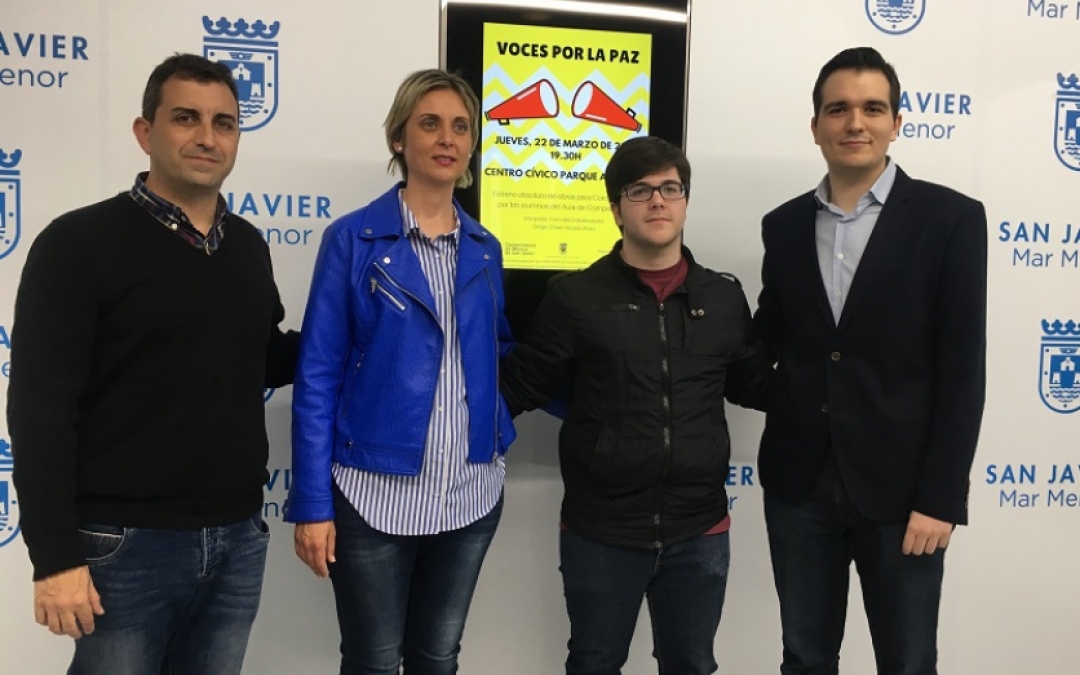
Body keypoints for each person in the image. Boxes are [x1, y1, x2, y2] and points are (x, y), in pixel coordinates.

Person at [8, 53, 299, 675]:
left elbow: (259, 359)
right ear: (146, 132)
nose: (207, 137)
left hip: (237, 538)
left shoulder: (248, 246)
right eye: (186, 118)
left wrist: (359, 337)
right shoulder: (77, 244)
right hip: (123, 545)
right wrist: (55, 557)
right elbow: (40, 410)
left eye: (224, 123)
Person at [753, 47, 988, 675]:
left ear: (896, 122)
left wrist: (942, 497)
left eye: (872, 108)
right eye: (838, 109)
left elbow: (963, 372)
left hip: (905, 494)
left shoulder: (951, 219)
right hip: (799, 486)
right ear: (816, 126)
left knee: (907, 662)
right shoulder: (783, 225)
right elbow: (769, 339)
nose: (854, 122)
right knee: (804, 658)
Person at [501, 136, 772, 675]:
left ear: (686, 201)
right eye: (640, 190)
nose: (658, 201)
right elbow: (520, 386)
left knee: (692, 665)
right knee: (594, 663)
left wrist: (836, 374)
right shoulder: (575, 297)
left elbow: (755, 384)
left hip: (700, 529)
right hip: (601, 530)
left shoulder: (722, 297)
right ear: (615, 208)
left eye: (671, 188)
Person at [286, 69, 514, 675]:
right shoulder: (352, 240)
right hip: (372, 497)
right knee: (375, 662)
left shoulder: (485, 248)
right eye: (429, 123)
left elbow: (496, 352)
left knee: (438, 658)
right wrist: (312, 503)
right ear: (399, 138)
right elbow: (318, 376)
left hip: (469, 494)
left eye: (461, 127)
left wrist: (496, 434)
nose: (447, 138)